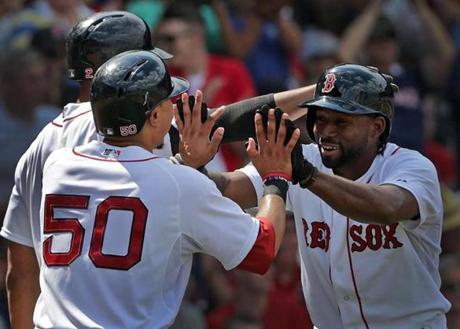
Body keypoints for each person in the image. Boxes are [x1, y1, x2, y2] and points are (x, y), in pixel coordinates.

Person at [37, 49, 298, 328]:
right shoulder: (178, 184)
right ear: (153, 117)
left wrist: (184, 163)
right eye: (167, 101)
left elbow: (138, 181)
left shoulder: (59, 164)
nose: (173, 107)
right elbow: (261, 250)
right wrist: (276, 178)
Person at [178, 63, 451, 328]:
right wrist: (187, 167)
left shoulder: (411, 167)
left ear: (377, 127)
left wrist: (307, 176)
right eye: (320, 119)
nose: (326, 131)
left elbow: (387, 207)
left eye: (341, 122)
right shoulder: (306, 159)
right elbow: (228, 187)